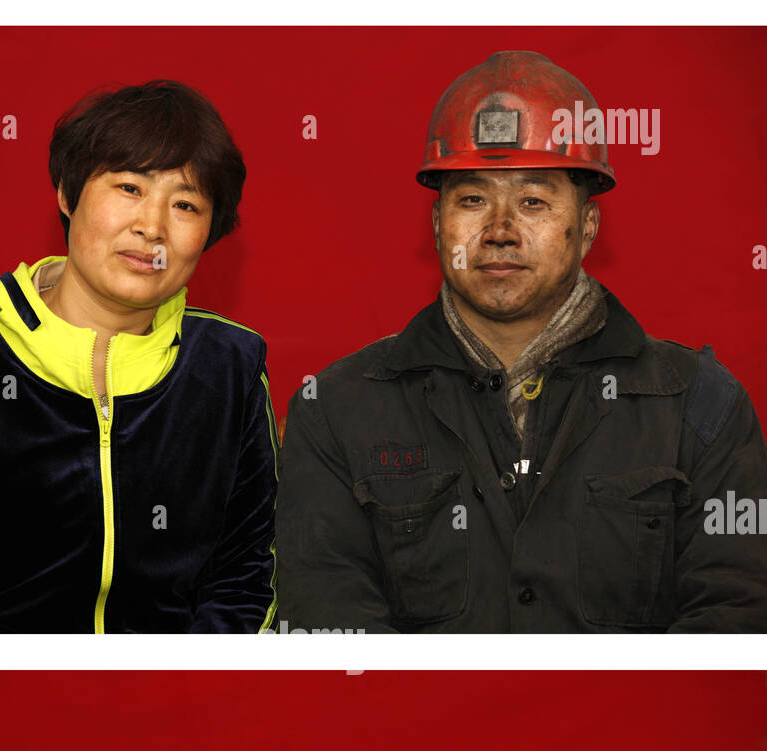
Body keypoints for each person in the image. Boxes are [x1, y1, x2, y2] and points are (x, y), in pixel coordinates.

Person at [274, 51, 767, 633]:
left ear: (587, 227)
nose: (501, 231)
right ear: (437, 226)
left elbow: (735, 620)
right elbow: (330, 629)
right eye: (473, 200)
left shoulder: (700, 406)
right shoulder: (335, 409)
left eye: (533, 202)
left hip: (629, 727)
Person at [0, 80, 278, 633]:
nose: (151, 226)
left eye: (185, 203)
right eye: (129, 187)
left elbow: (249, 574)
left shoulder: (230, 367)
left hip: (172, 707)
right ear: (67, 192)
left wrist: (191, 696)